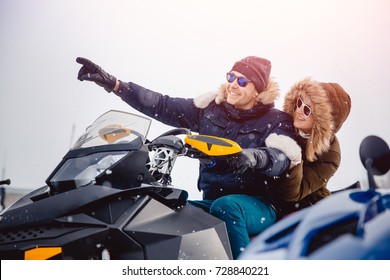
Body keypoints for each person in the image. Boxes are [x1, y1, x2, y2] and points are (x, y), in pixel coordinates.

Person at [76, 56, 298, 259]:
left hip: (258, 205)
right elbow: (162, 105)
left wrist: (254, 157)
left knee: (227, 207)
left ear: (258, 91)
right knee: (168, 212)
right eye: (231, 77)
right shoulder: (209, 110)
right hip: (212, 199)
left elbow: (281, 158)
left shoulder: (277, 120)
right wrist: (116, 85)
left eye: (242, 82)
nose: (233, 85)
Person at [272, 77, 351, 216]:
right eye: (299, 102)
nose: (300, 110)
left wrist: (294, 162)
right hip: (269, 199)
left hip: (304, 209)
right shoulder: (282, 125)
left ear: (322, 120)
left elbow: (292, 194)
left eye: (308, 110)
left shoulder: (330, 154)